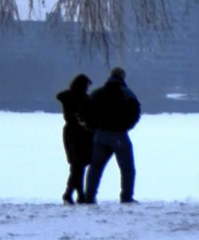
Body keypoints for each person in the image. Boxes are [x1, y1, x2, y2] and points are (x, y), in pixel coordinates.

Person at [81, 65, 143, 203]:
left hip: (100, 135)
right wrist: (127, 126)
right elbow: (136, 112)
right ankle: (126, 197)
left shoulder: (97, 93)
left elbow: (85, 111)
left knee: (95, 168)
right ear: (123, 77)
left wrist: (93, 126)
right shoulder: (127, 93)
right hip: (119, 135)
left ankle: (89, 196)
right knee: (127, 168)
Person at [57, 73, 94, 203]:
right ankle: (70, 193)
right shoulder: (84, 99)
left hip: (69, 133)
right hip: (82, 134)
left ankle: (78, 194)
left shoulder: (66, 97)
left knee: (76, 165)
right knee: (79, 165)